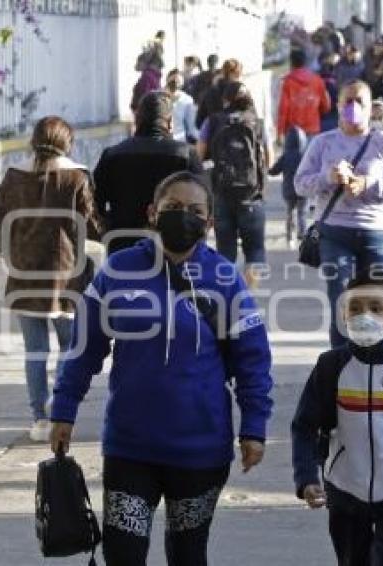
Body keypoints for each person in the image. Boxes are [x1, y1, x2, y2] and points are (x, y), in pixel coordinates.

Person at [49, 172, 274, 566]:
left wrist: (254, 427)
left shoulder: (224, 279)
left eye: (195, 211)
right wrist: (63, 410)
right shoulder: (117, 271)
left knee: (188, 554)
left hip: (200, 451)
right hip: (130, 447)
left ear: (208, 222)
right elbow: (82, 347)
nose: (182, 216)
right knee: (123, 553)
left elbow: (252, 358)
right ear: (152, 213)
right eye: (172, 208)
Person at [291, 272, 383, 566]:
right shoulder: (331, 365)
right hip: (344, 485)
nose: (365, 316)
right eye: (355, 308)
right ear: (343, 315)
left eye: (376, 308)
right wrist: (306, 477)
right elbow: (304, 426)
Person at [0, 117, 102, 442]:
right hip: (67, 279)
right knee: (69, 346)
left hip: (25, 277)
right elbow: (93, 225)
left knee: (34, 351)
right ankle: (60, 405)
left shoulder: (13, 177)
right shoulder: (76, 178)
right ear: (68, 142)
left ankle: (39, 419)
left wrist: (13, 256)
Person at [295, 80, 383, 348]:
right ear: (337, 106)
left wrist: (368, 184)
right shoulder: (323, 143)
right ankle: (340, 363)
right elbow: (300, 183)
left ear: (370, 107)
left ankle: (378, 361)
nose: (353, 107)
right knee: (342, 299)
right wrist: (328, 177)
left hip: (378, 234)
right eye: (347, 101)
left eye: (359, 101)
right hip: (334, 234)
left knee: (378, 299)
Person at [94, 91, 202, 254]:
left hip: (122, 245)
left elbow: (96, 203)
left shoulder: (112, 154)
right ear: (170, 122)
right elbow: (201, 202)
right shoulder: (186, 155)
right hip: (173, 246)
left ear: (137, 120)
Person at [197, 82, 270, 288]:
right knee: (254, 250)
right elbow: (269, 158)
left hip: (221, 193)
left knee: (225, 251)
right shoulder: (258, 123)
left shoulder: (212, 122)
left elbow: (198, 156)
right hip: (252, 195)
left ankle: (227, 294)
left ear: (225, 100)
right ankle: (247, 295)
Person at [277, 49, 331, 140]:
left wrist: (280, 132)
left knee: (295, 154)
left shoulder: (288, 82)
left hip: (293, 131)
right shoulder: (317, 80)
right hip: (313, 127)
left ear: (291, 63)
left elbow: (283, 109)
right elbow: (326, 106)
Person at [269, 125, 309, 246]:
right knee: (302, 212)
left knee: (290, 212)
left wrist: (268, 169)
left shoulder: (286, 156)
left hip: (289, 189)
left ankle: (289, 235)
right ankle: (302, 234)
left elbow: (274, 171)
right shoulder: (305, 156)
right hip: (304, 188)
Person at [196, 58, 242, 128]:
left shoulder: (209, 92)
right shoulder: (241, 92)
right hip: (238, 135)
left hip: (214, 135)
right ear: (237, 74)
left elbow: (198, 123)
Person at [166, 69, 198, 144]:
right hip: (161, 141)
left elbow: (191, 126)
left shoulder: (187, 100)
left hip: (179, 142)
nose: (174, 84)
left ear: (182, 83)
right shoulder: (157, 96)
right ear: (167, 80)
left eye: (177, 82)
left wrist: (202, 138)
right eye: (172, 82)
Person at [130, 48, 163, 118]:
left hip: (146, 115)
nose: (136, 64)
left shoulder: (147, 76)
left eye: (139, 61)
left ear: (145, 63)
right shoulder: (154, 76)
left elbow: (145, 96)